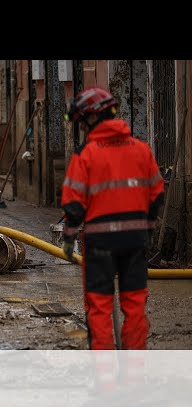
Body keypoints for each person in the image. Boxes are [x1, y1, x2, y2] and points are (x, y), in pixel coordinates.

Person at [62, 86, 164, 350]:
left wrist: (69, 238)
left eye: (83, 122)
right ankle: (133, 380)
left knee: (99, 308)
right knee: (135, 306)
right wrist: (147, 231)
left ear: (93, 118)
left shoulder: (86, 154)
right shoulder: (142, 150)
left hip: (100, 243)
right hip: (135, 241)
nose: (82, 128)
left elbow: (73, 204)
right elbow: (156, 195)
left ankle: (106, 383)